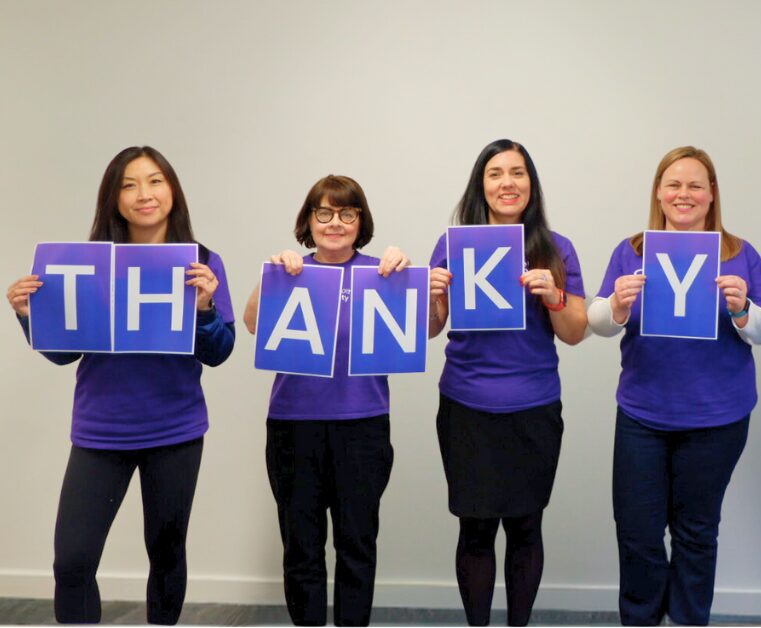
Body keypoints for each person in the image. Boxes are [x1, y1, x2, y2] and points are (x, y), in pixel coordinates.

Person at [5, 146, 235, 624]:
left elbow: (218, 352)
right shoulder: (87, 262)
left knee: (167, 553)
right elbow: (64, 352)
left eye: (154, 181)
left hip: (175, 431)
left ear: (172, 190)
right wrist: (30, 317)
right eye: (128, 185)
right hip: (99, 431)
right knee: (72, 561)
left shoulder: (203, 262)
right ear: (113, 198)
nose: (143, 194)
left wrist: (206, 310)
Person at [588, 146, 761, 626]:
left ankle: (690, 620)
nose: (684, 194)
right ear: (658, 192)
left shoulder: (740, 254)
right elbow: (597, 320)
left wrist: (742, 310)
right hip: (642, 416)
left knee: (696, 533)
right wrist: (616, 306)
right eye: (673, 184)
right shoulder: (632, 251)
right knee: (638, 533)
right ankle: (641, 620)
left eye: (696, 185)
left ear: (712, 194)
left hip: (717, 418)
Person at [427, 139, 587, 627]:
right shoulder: (453, 244)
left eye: (518, 173)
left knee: (525, 528)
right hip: (467, 405)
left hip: (533, 408)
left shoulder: (556, 248)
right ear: (482, 185)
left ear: (531, 185)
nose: (507, 183)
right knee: (474, 531)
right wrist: (433, 295)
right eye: (496, 174)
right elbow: (433, 328)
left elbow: (576, 332)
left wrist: (554, 296)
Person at [243, 175, 409, 626]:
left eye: (347, 213)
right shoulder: (290, 270)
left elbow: (425, 324)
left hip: (363, 426)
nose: (335, 222)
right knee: (301, 547)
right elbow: (252, 323)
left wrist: (406, 271)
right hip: (294, 426)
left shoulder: (383, 272)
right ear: (309, 220)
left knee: (357, 545)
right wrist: (272, 276)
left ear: (360, 220)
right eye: (324, 212)